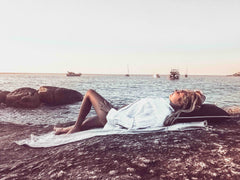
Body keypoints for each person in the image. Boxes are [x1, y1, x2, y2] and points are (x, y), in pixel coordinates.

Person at [54, 89, 206, 135]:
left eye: (180, 92)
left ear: (180, 102)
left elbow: (133, 125)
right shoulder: (164, 103)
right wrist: (198, 96)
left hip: (114, 118)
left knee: (89, 93)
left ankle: (75, 126)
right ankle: (71, 128)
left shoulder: (162, 114)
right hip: (117, 113)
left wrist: (110, 112)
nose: (176, 90)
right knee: (90, 122)